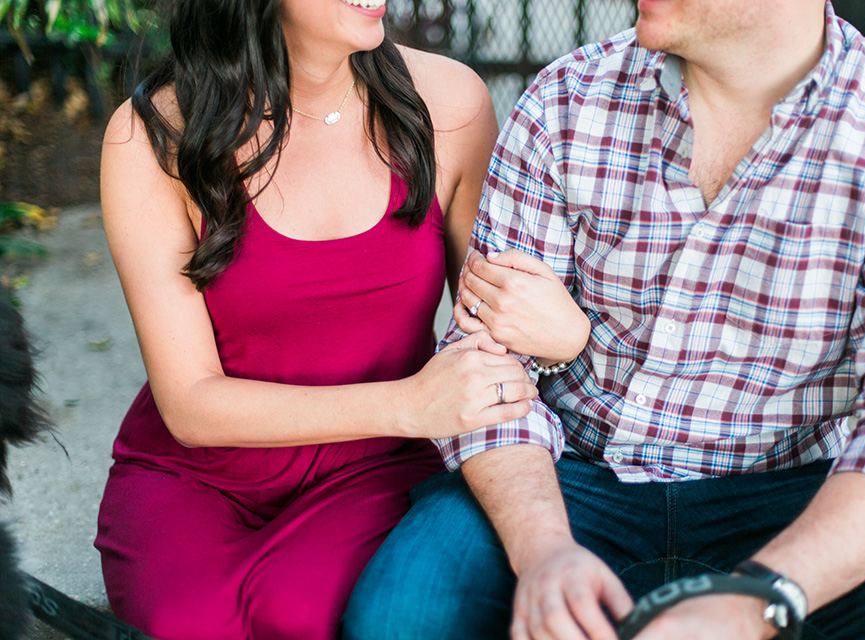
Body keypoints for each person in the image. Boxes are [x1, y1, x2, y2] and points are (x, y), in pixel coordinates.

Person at [342, 1, 865, 639]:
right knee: (400, 616)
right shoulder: (566, 99)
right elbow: (486, 364)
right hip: (567, 476)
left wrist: (759, 599)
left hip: (791, 492)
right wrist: (544, 551)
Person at [92, 0, 539, 638]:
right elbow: (189, 404)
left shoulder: (450, 104)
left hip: (377, 468)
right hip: (199, 472)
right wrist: (408, 403)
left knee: (302, 614)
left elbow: (500, 327)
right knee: (184, 623)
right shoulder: (150, 136)